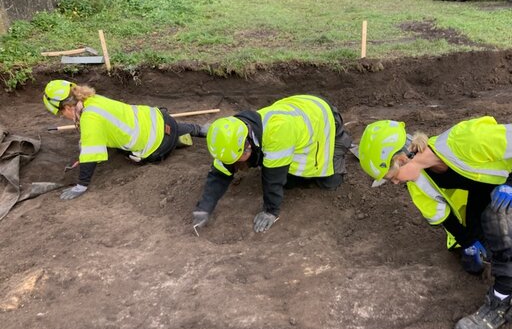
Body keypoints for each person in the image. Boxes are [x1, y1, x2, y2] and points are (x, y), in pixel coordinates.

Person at [357, 116, 512, 329]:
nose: (396, 183)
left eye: (392, 177)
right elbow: (444, 218)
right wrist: (469, 243)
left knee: (501, 217)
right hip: (490, 191)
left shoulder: (465, 140)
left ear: (402, 159)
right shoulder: (418, 182)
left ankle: (501, 301)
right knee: (485, 246)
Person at [192, 94, 352, 234]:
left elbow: (274, 178)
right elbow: (219, 173)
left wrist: (270, 211)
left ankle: (344, 142)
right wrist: (204, 208)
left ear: (248, 144)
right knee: (286, 177)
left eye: (238, 158)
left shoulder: (278, 133)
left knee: (330, 182)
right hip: (297, 111)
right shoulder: (231, 136)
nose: (234, 164)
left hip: (322, 116)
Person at [43, 79, 207, 200]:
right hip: (162, 119)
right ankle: (195, 129)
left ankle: (175, 143)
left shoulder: (89, 119)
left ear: (67, 107)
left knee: (124, 151)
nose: (62, 117)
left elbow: (91, 155)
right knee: (164, 129)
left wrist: (81, 185)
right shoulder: (92, 99)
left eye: (60, 113)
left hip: (157, 147)